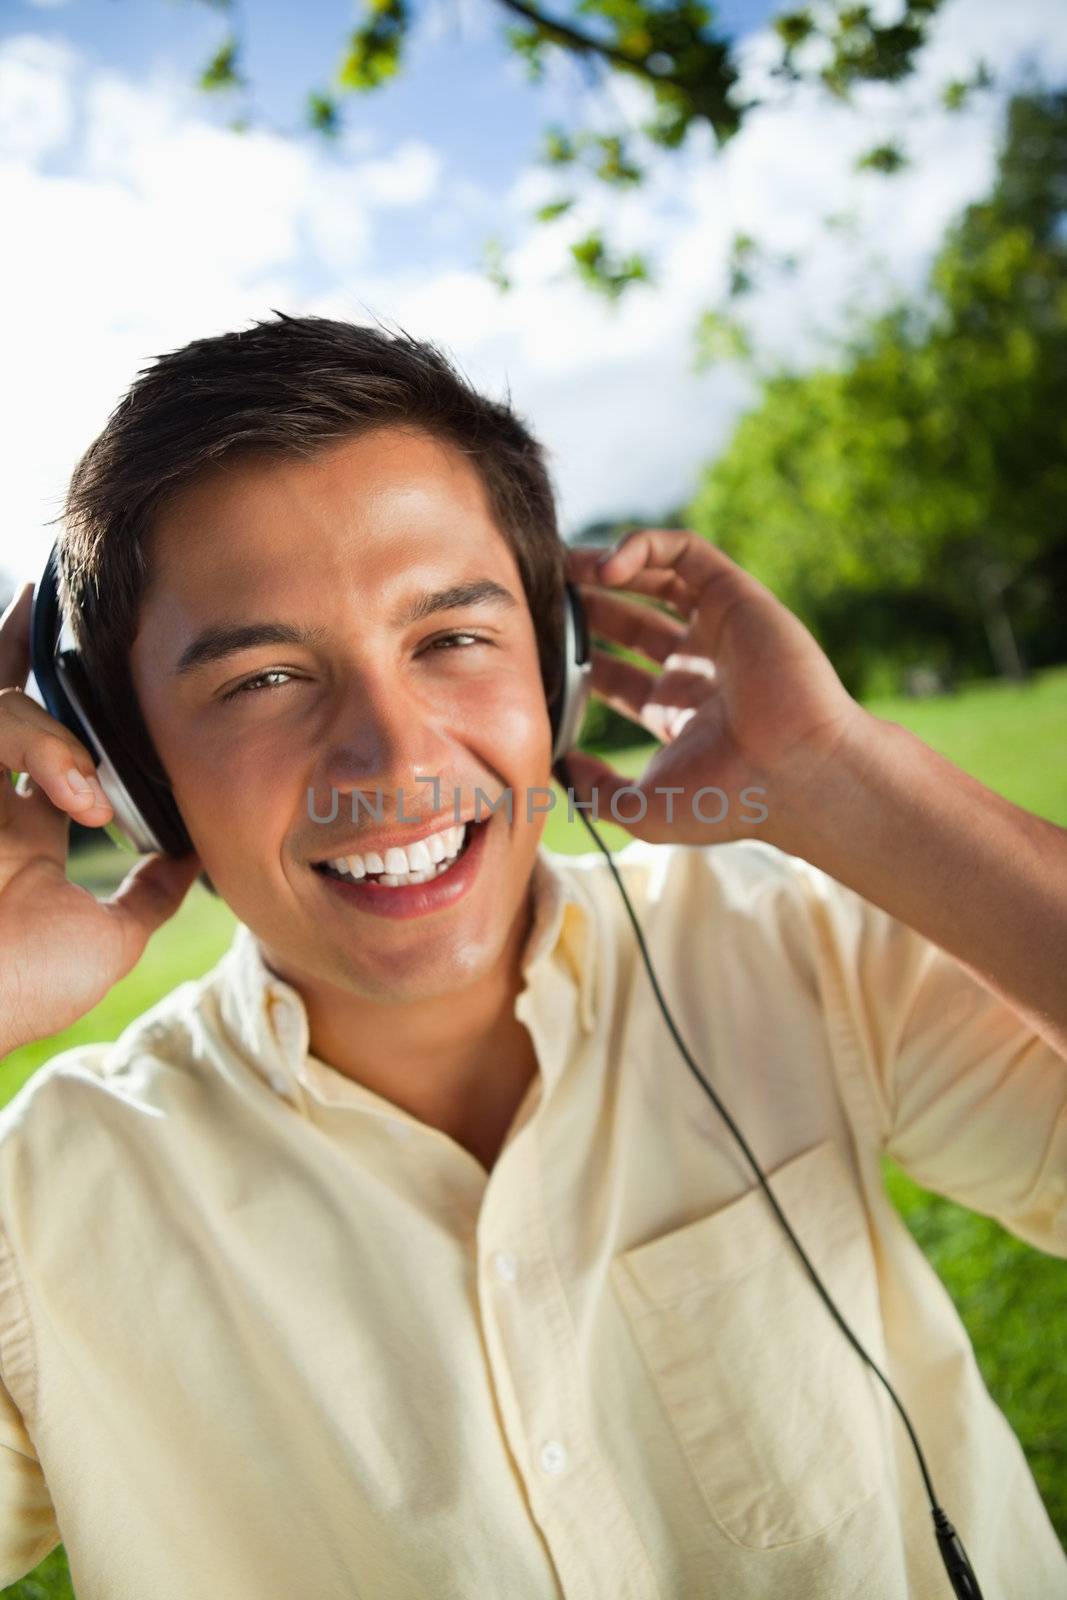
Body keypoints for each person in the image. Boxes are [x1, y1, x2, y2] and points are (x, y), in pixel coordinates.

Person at [0, 314, 1063, 1600]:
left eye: (450, 639)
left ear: (556, 672)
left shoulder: (782, 945)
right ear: (129, 768)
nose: (391, 758)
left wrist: (845, 781)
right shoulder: (44, 1202)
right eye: (264, 680)